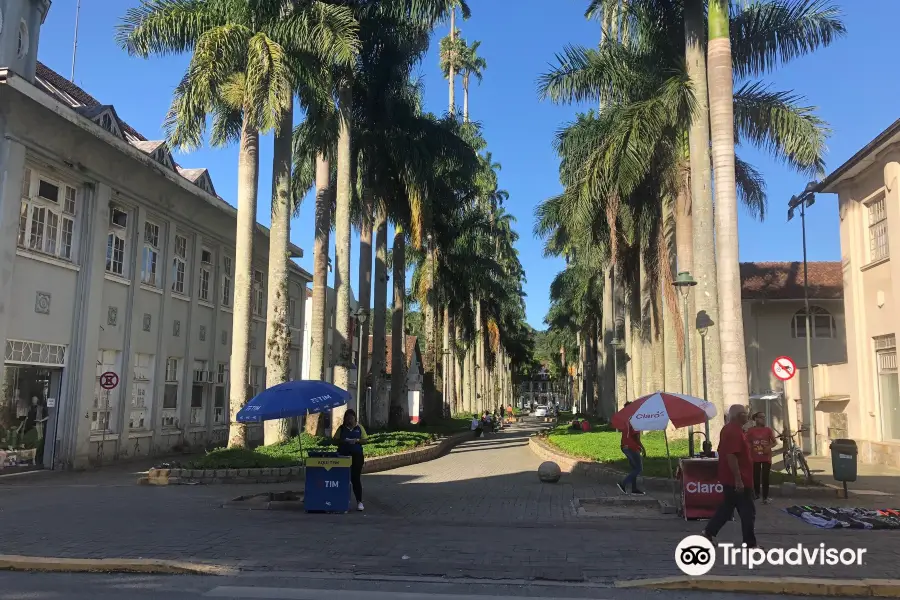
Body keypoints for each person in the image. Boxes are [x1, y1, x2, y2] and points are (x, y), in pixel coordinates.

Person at [703, 404, 757, 547]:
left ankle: (709, 532)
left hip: (733, 478)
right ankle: (750, 543)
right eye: (745, 413)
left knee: (727, 509)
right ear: (739, 416)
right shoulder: (734, 431)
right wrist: (738, 479)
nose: (747, 416)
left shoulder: (733, 430)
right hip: (738, 480)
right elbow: (731, 455)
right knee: (747, 512)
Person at [335, 409, 367, 511]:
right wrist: (343, 441)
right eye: (347, 418)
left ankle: (359, 502)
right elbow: (335, 439)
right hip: (343, 456)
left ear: (355, 418)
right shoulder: (341, 429)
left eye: (351, 418)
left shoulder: (359, 428)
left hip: (357, 456)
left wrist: (357, 441)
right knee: (343, 478)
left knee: (355, 478)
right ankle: (342, 501)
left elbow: (365, 440)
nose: (349, 420)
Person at [746, 411, 777, 503]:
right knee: (755, 476)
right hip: (754, 457)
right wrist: (750, 447)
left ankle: (765, 497)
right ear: (755, 419)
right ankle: (756, 494)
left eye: (764, 417)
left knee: (765, 477)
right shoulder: (751, 430)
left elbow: (774, 442)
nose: (763, 419)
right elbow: (746, 441)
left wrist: (768, 447)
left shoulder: (768, 430)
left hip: (766, 457)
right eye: (761, 417)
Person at [616, 402, 646, 496]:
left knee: (634, 468)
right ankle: (623, 483)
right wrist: (642, 447)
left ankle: (634, 489)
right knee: (638, 468)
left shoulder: (625, 419)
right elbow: (635, 436)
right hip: (632, 447)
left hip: (624, 446)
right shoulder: (635, 419)